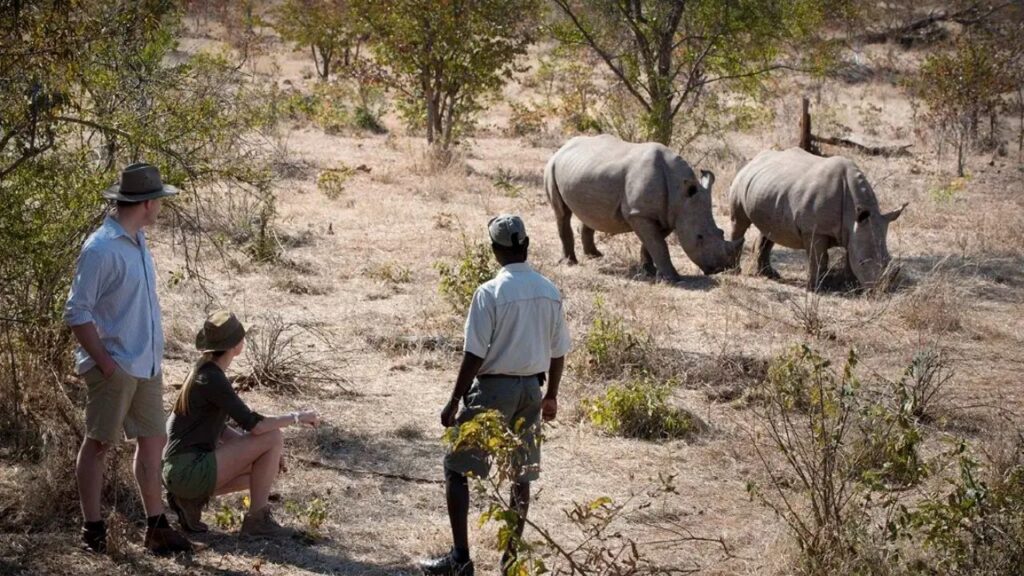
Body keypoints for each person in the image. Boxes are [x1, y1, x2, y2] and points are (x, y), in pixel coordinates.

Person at [421, 215, 571, 576]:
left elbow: (474, 353)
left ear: (494, 251)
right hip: (530, 392)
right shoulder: (548, 290)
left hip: (493, 390)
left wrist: (454, 400)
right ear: (527, 245)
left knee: (455, 467)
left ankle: (460, 559)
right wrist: (551, 394)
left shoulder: (490, 292)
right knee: (521, 475)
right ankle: (511, 561)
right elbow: (558, 350)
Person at [64, 162, 192, 554]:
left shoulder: (136, 241)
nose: (161, 209)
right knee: (99, 444)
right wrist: (105, 362)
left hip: (146, 364)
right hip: (115, 365)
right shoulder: (101, 248)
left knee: (153, 440)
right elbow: (76, 312)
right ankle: (93, 530)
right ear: (147, 203)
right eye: (159, 201)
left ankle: (155, 527)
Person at [163, 310, 320, 537]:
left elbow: (223, 430)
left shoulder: (204, 372)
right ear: (235, 345)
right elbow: (255, 425)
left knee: (264, 469)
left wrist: (267, 453)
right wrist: (298, 416)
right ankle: (257, 520)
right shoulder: (212, 378)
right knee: (273, 435)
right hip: (187, 471)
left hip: (180, 472)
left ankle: (189, 501)